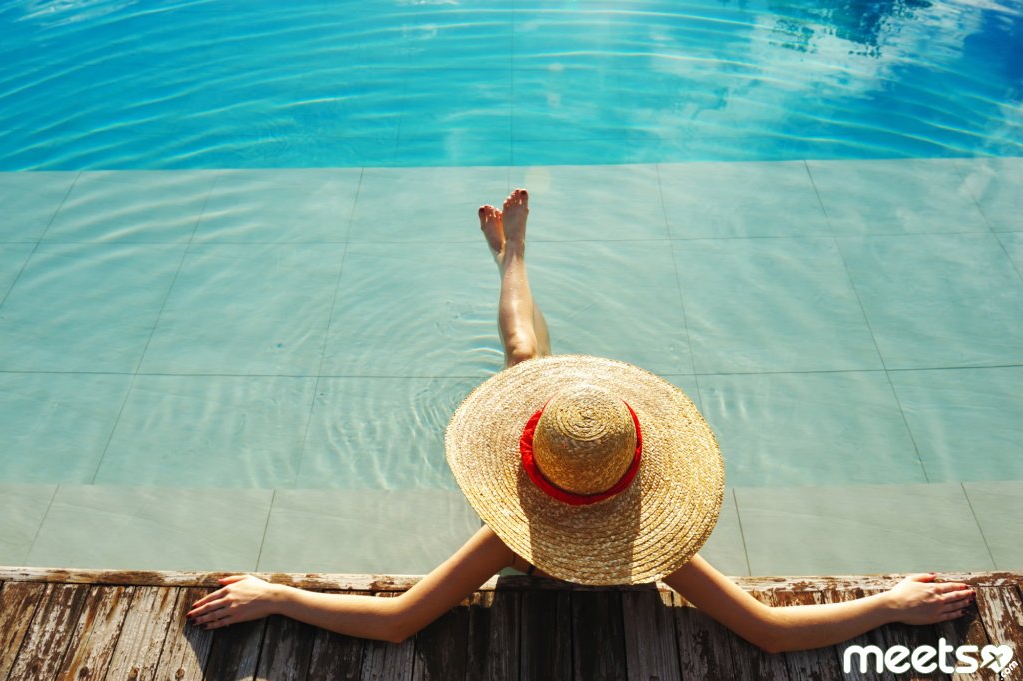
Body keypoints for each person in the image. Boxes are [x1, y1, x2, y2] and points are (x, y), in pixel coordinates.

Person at [185, 189, 976, 653]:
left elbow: (400, 623)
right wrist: (888, 603)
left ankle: (513, 260)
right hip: (579, 462)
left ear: (522, 469)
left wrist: (278, 592)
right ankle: (514, 259)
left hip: (557, 476)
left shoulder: (518, 535)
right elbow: (767, 632)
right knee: (524, 353)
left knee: (525, 354)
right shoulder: (649, 543)